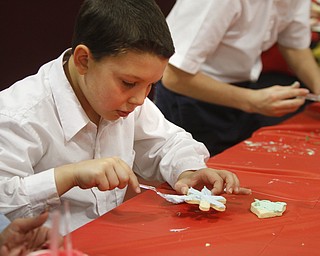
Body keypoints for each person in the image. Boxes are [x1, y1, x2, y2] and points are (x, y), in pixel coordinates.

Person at [0, 0, 251, 235]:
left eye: (151, 85)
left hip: (113, 236)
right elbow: (3, 206)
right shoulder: (18, 115)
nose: (140, 99)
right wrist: (68, 176)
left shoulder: (124, 100)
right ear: (84, 60)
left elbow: (168, 142)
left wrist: (188, 170)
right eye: (129, 82)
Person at [154, 0, 320, 156]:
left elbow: (294, 45)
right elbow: (173, 76)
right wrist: (251, 100)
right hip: (191, 97)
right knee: (193, 174)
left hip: (241, 92)